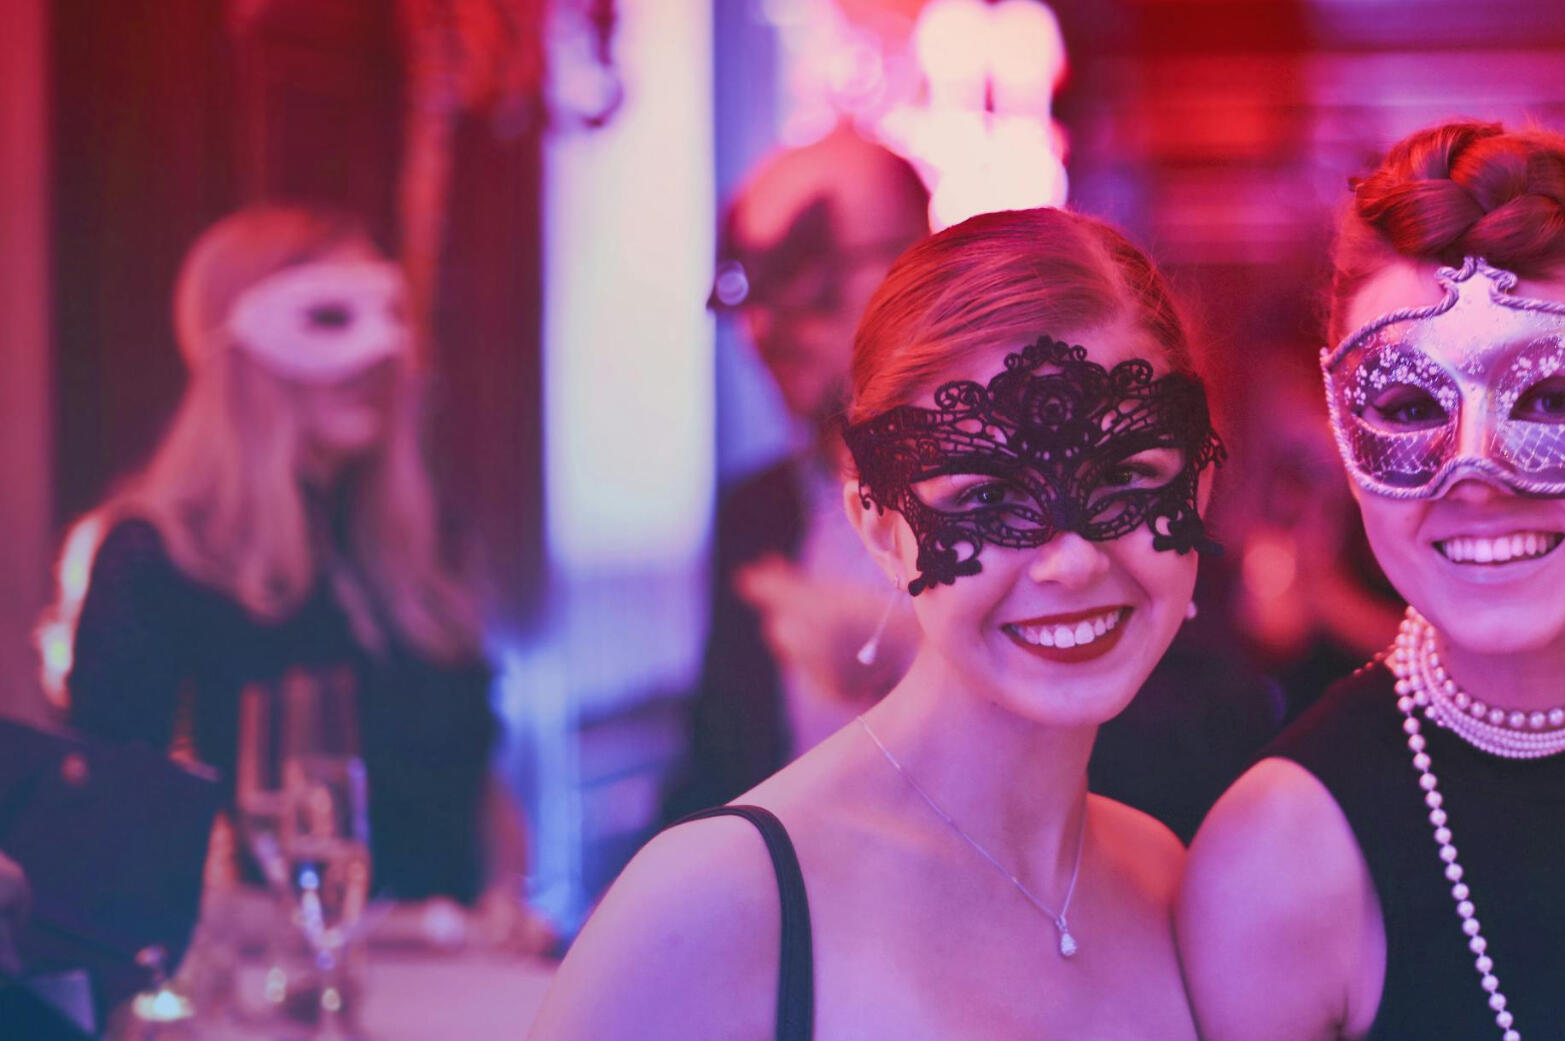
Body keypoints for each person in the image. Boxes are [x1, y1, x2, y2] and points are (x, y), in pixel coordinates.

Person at [532, 207, 1218, 1041]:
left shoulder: (1170, 884)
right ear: (876, 528)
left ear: (1198, 488)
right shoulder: (714, 904)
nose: (1070, 561)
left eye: (1125, 477)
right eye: (988, 498)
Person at [1180, 121, 1565, 1041]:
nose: (1476, 474)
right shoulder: (1275, 861)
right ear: (1349, 450)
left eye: (1553, 398)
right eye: (1411, 407)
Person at [42, 204, 545, 951]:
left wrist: (503, 901)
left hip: (463, 999)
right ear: (236, 350)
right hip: (270, 1005)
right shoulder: (155, 561)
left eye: (389, 315)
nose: (373, 356)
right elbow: (115, 861)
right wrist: (405, 934)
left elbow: (480, 791)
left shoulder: (420, 551)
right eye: (331, 318)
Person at [659, 126, 933, 825]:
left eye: (810, 280)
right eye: (747, 287)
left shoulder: (1034, 494)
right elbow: (713, 778)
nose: (762, 326)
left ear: (913, 268)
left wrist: (917, 663)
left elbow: (1178, 748)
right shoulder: (755, 514)